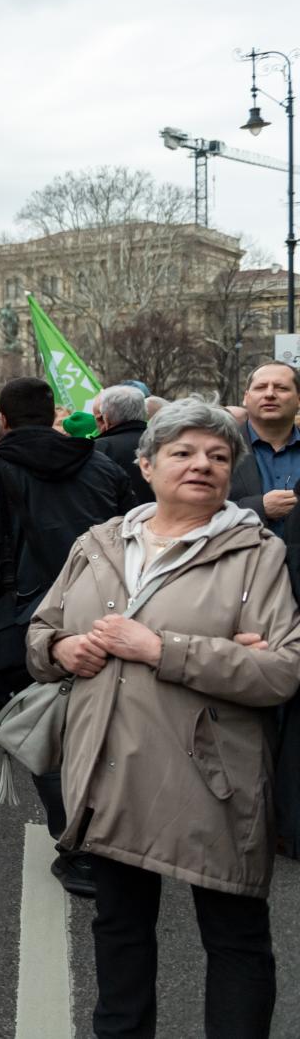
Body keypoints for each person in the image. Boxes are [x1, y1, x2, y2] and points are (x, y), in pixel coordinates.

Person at [26, 398, 300, 1038]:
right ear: (146, 466)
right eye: (182, 452)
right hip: (111, 767)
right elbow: (40, 634)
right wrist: (63, 648)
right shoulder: (98, 543)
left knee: (234, 939)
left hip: (212, 779)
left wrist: (160, 649)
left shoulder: (254, 553)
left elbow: (281, 671)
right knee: (119, 930)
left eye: (218, 455)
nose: (202, 464)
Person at [0, 376, 130, 897]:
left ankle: (76, 846)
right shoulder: (100, 464)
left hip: (24, 617)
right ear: (52, 415)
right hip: (102, 609)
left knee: (45, 726)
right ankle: (112, 833)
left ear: (4, 421)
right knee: (103, 724)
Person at [229, 362, 300, 861]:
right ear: (247, 396)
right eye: (261, 386)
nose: (270, 393)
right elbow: (192, 511)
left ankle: (287, 823)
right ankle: (240, 823)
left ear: (297, 398)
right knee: (243, 711)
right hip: (238, 600)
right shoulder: (222, 451)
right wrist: (257, 506)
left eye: (282, 386)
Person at [92, 384, 151, 505]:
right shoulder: (165, 442)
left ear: (106, 419)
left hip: (120, 521)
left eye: (99, 419)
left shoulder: (98, 449)